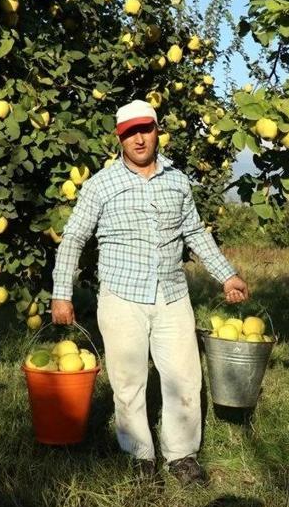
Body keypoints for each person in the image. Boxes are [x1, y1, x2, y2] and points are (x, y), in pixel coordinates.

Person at [50, 99, 249, 486]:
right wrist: (62, 294)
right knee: (128, 382)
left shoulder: (177, 180)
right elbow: (74, 237)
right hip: (122, 296)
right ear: (119, 138)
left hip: (172, 294)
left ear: (158, 130)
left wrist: (227, 275)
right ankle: (140, 457)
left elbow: (194, 233)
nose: (139, 139)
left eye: (145, 129)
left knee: (185, 378)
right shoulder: (101, 184)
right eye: (129, 133)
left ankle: (181, 456)